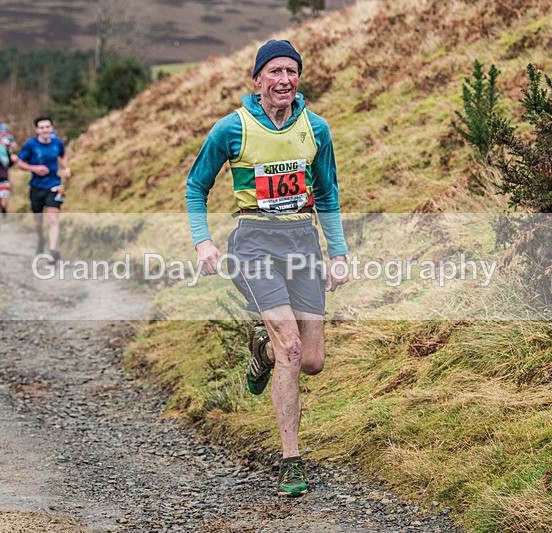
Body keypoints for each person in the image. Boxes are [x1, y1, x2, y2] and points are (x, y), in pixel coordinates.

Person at [186, 39, 350, 496]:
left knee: (312, 360)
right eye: (274, 71)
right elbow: (196, 186)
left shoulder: (316, 128)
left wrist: (338, 254)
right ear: (257, 79)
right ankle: (291, 460)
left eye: (291, 72)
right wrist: (204, 243)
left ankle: (262, 348)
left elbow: (329, 194)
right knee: (293, 348)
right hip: (253, 242)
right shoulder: (231, 129)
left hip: (302, 242)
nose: (284, 80)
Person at [15, 116, 71, 260]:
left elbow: (63, 156)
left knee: (53, 218)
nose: (45, 130)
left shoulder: (57, 143)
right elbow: (20, 163)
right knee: (38, 222)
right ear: (37, 130)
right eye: (42, 127)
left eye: (47, 127)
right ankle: (41, 239)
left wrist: (66, 168)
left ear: (51, 128)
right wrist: (34, 168)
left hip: (54, 184)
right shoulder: (30, 145)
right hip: (36, 186)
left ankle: (53, 251)